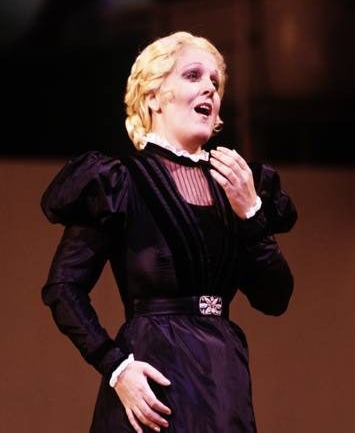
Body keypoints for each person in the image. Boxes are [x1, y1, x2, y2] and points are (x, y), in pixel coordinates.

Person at [40, 31, 297, 433]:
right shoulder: (120, 182)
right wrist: (116, 367)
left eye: (215, 82)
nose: (209, 88)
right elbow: (62, 287)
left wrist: (251, 213)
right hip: (153, 379)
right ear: (153, 97)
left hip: (222, 377)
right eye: (193, 75)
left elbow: (275, 297)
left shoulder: (237, 185)